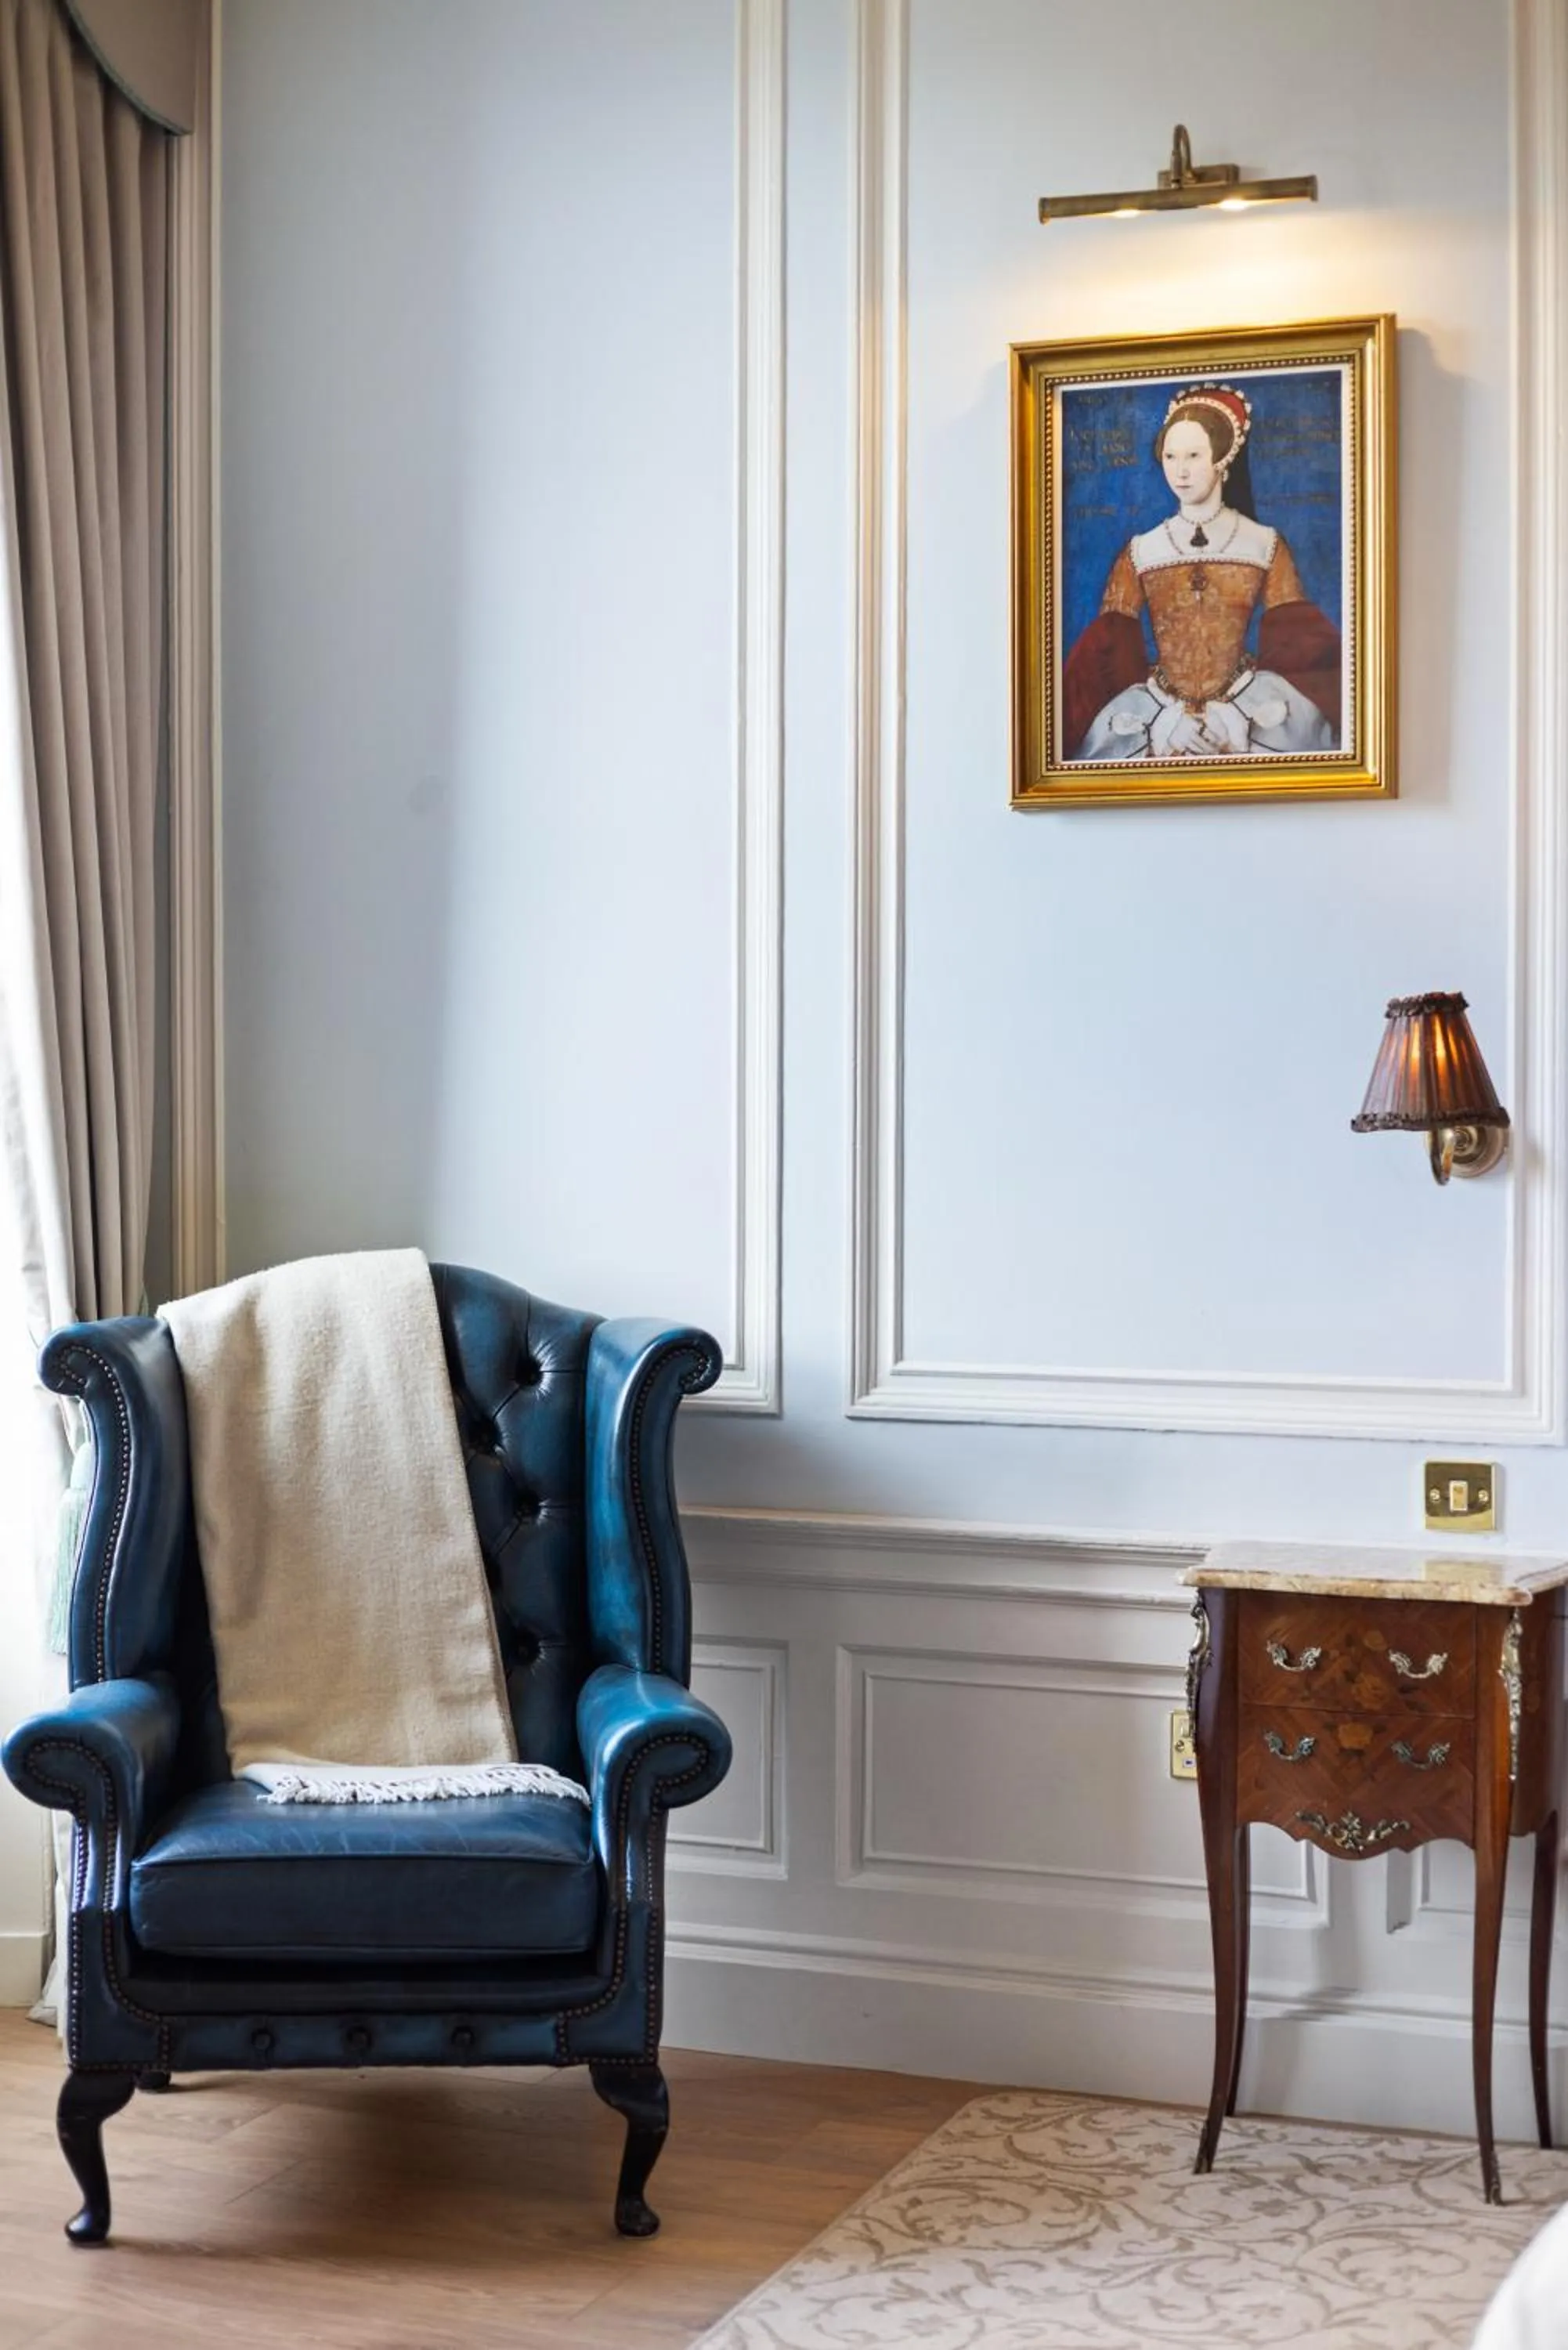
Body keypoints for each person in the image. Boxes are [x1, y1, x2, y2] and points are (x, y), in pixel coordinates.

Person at [1061, 382, 1342, 763]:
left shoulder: (1265, 543)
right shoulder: (1141, 550)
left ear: (1223, 458)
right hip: (1157, 715)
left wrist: (1235, 717)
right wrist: (1164, 722)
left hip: (1248, 710)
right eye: (1171, 456)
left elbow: (1302, 649)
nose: (1180, 471)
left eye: (1193, 455)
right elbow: (1107, 656)